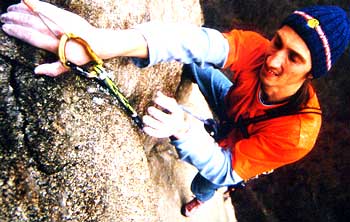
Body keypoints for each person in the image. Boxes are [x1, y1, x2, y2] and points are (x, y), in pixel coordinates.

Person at [1, 0, 350, 217]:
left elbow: (226, 168)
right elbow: (196, 41)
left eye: (294, 57)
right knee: (196, 64)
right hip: (231, 105)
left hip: (239, 145)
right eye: (278, 42)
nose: (273, 60)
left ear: (310, 73)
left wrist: (185, 129)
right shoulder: (261, 51)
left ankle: (197, 203)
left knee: (207, 182)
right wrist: (101, 42)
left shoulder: (298, 132)